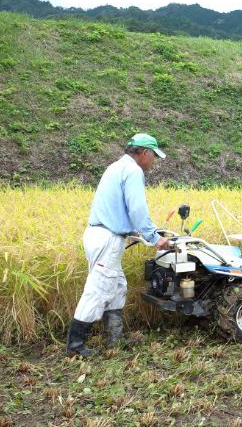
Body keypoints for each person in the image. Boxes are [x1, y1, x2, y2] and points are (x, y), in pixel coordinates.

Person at [66, 133, 172, 357]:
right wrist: (155, 237)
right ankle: (75, 346)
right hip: (107, 239)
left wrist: (134, 232)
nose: (153, 162)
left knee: (116, 287)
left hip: (98, 234)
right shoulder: (134, 171)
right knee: (98, 290)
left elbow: (116, 208)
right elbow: (136, 208)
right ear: (144, 153)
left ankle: (114, 338)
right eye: (153, 157)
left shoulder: (115, 167)